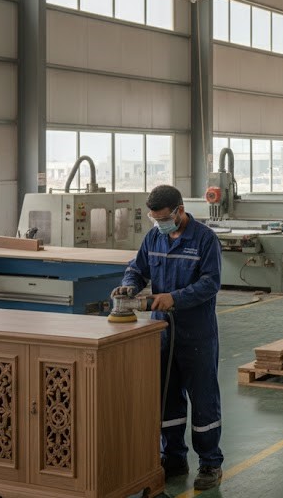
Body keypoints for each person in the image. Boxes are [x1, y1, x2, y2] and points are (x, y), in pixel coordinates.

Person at [113, 185, 224, 490]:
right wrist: (129, 285)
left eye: (163, 218)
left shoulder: (204, 239)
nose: (159, 224)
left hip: (196, 334)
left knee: (203, 400)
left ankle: (210, 463)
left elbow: (210, 283)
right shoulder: (154, 238)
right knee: (167, 397)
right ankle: (173, 457)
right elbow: (137, 269)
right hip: (162, 333)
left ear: (179, 211)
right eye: (155, 219)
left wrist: (174, 298)